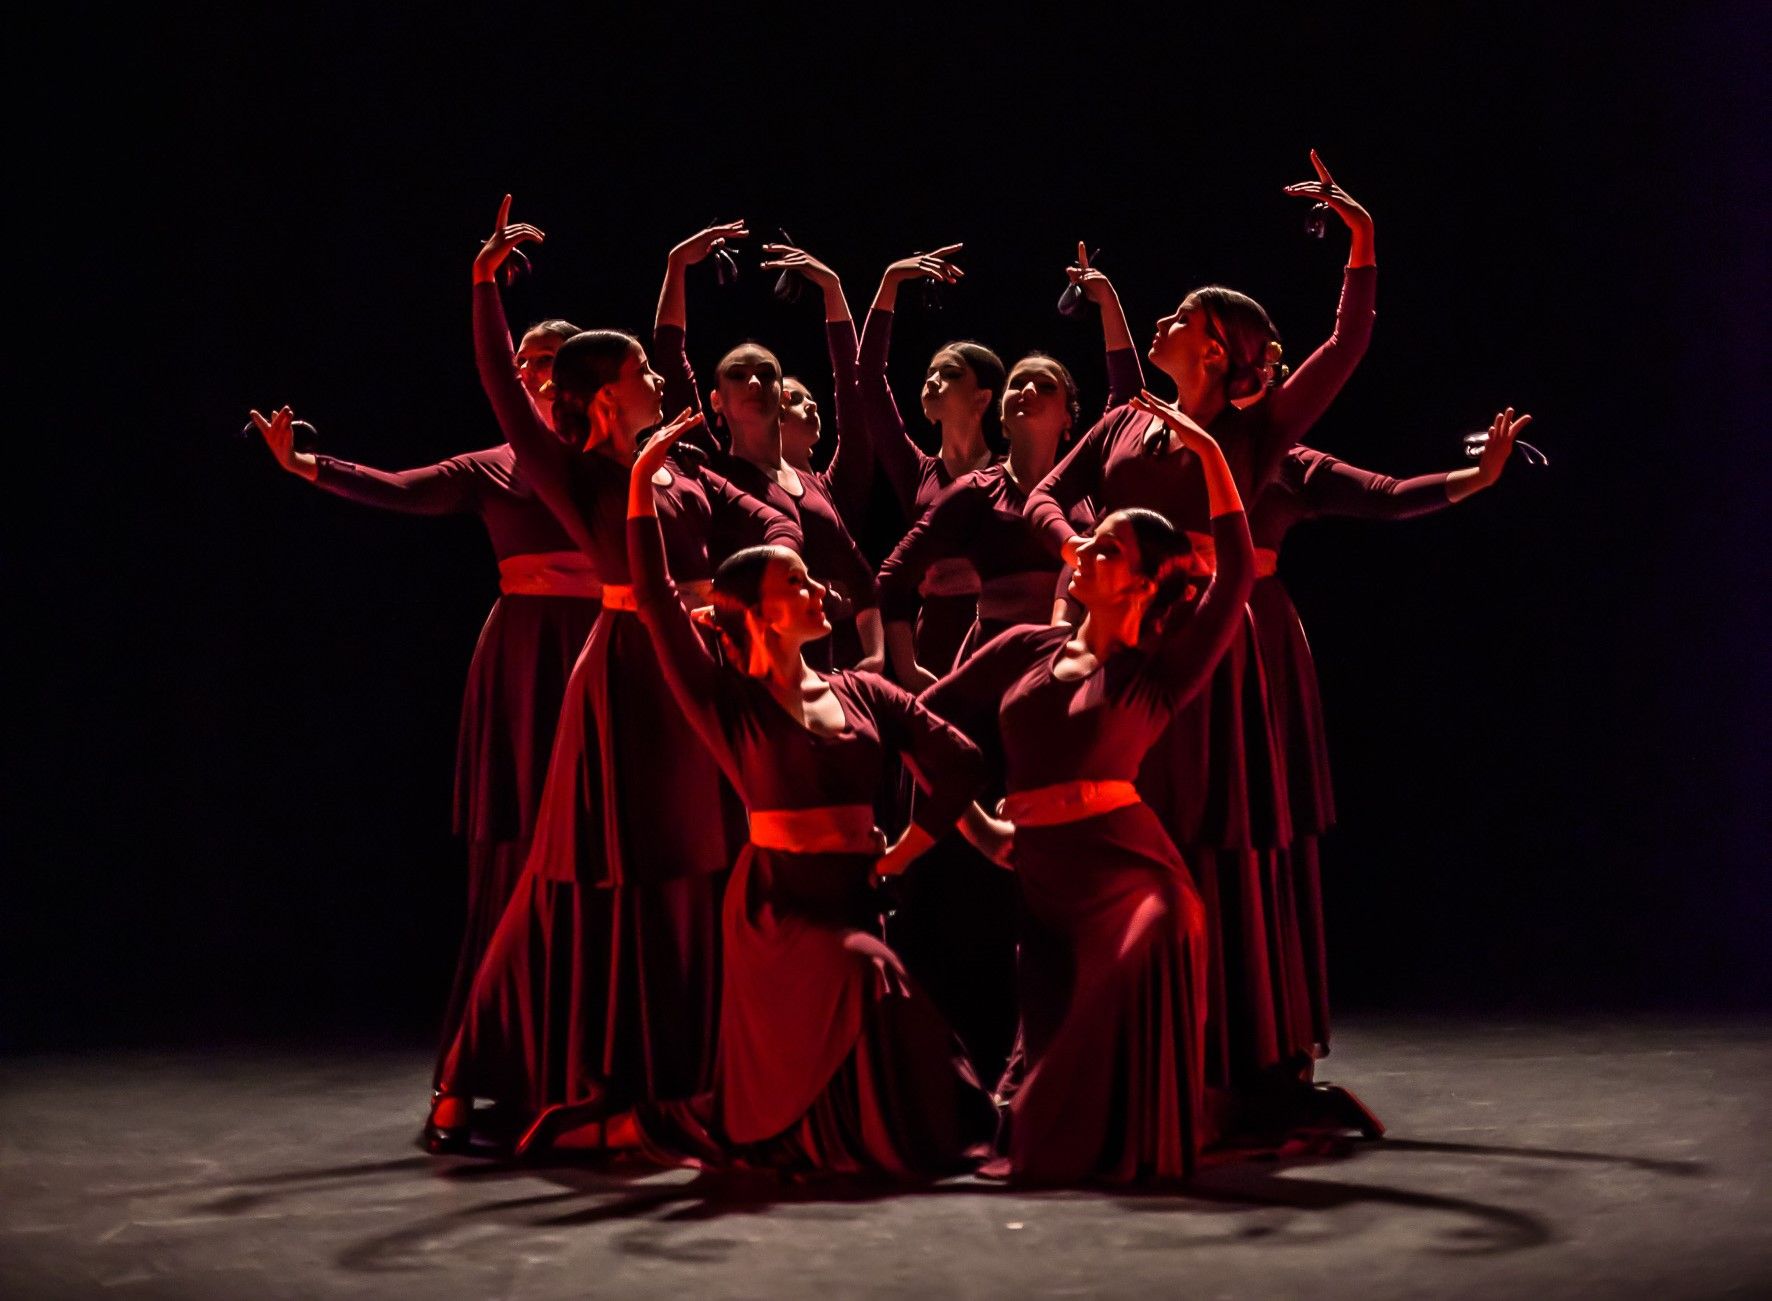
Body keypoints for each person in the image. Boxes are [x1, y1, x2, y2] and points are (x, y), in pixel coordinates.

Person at [519, 417, 996, 1177]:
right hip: (778, 906)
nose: (820, 589)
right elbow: (654, 597)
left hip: (854, 897)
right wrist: (640, 484)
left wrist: (905, 852)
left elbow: (962, 763)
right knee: (866, 978)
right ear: (753, 611)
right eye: (796, 583)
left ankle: (837, 1132)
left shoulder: (864, 692)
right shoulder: (725, 701)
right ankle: (665, 1127)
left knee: (910, 1043)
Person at [428, 198, 800, 1151]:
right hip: (626, 676)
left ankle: (686, 1067)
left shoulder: (677, 465)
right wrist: (483, 287)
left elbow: (770, 519)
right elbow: (501, 387)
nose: (657, 378)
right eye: (641, 372)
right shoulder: (577, 474)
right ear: (604, 397)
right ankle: (512, 1069)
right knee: (599, 875)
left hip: (693, 664)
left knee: (694, 865)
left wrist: (761, 577)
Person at [1023, 152, 1378, 1112]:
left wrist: (1361, 241)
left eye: (1181, 316)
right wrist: (1072, 545)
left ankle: (1230, 1046)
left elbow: (1345, 346)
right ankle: (1140, 1035)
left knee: (1214, 827)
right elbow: (1047, 494)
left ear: (1217, 351)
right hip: (1128, 638)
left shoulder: (1257, 435)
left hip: (1211, 650)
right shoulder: (1125, 422)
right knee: (1136, 824)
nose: (1163, 323)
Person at [246, 316, 597, 1094]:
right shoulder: (493, 465)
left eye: (549, 359)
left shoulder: (610, 465)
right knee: (521, 839)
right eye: (525, 360)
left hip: (601, 647)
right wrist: (306, 464)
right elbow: (404, 488)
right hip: (525, 657)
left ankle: (595, 1050)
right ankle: (507, 1046)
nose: (534, 372)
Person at [923, 389, 1254, 1184]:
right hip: (1045, 880)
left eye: (1105, 548)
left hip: (1132, 875)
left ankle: (1100, 1133)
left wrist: (1209, 454)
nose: (1080, 550)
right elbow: (917, 724)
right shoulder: (1027, 647)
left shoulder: (1158, 673)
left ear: (1141, 584)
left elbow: (1237, 570)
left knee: (1142, 953)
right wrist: (976, 825)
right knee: (1048, 1036)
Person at [1251, 410, 1529, 1063]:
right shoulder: (1161, 440)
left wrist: (1480, 477)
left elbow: (1388, 495)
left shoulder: (1285, 458)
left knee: (1256, 821)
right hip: (1163, 630)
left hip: (1253, 636)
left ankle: (1261, 1021)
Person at [654, 225, 884, 671]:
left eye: (766, 374)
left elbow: (864, 578)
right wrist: (676, 265)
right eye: (738, 375)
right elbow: (670, 361)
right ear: (715, 400)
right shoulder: (714, 472)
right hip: (752, 664)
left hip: (825, 668)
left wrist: (833, 290)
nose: (755, 382)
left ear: (783, 395)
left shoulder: (816, 486)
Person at [856, 243, 1003, 674]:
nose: (934, 380)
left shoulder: (1012, 470)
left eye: (950, 374)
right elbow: (868, 379)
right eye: (930, 374)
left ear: (982, 398)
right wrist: (891, 281)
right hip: (933, 647)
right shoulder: (917, 471)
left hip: (999, 635)